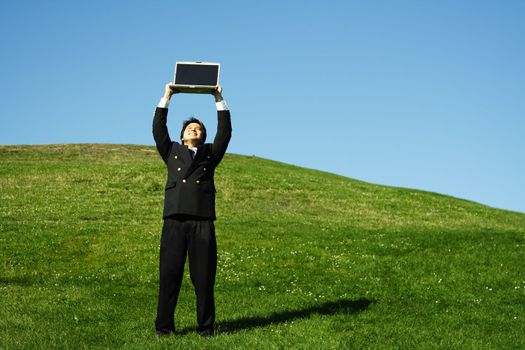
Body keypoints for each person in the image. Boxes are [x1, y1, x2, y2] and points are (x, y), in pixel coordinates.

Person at [152, 83, 232, 337]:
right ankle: (164, 328)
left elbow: (225, 132)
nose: (193, 130)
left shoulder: (210, 153)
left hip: (202, 223)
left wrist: (218, 97)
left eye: (198, 128)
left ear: (202, 135)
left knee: (203, 278)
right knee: (169, 276)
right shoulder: (172, 151)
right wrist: (167, 96)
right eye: (189, 128)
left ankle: (206, 328)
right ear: (183, 135)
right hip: (174, 221)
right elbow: (158, 130)